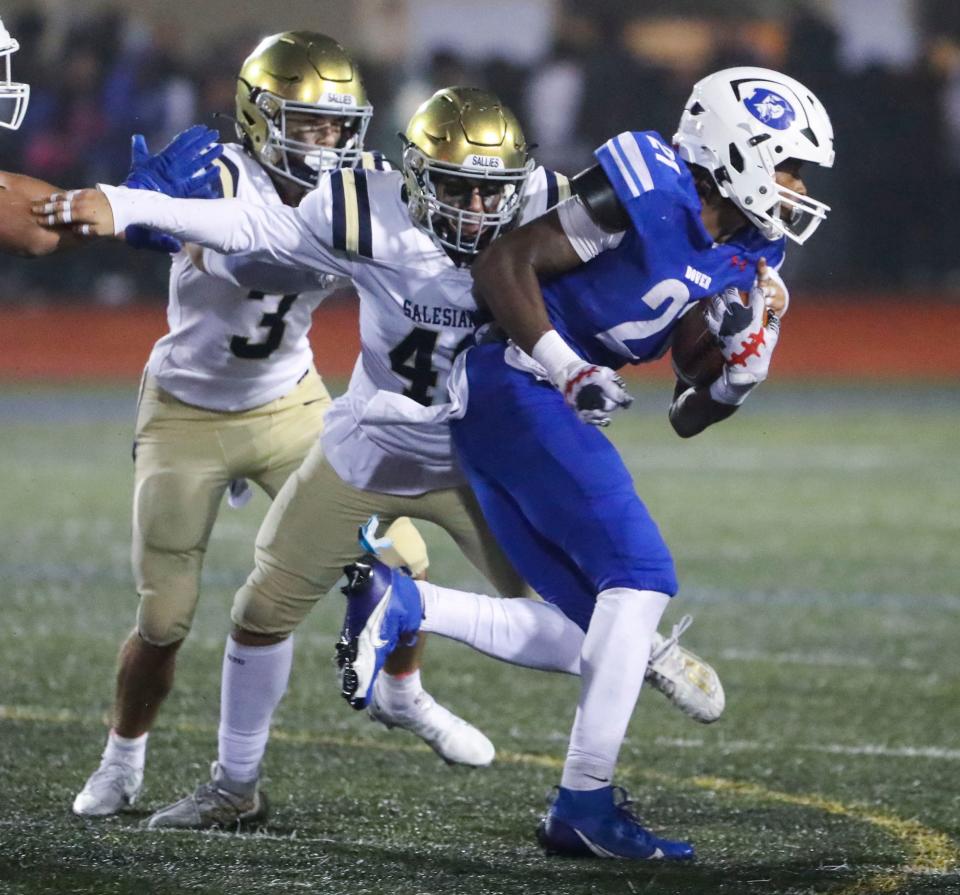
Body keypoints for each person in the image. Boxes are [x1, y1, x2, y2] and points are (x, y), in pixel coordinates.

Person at [38, 85, 726, 830]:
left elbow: (655, 266)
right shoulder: (365, 205)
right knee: (261, 612)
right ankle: (235, 786)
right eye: (455, 187)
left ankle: (635, 649)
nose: (472, 207)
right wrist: (132, 206)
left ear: (519, 182)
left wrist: (741, 300)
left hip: (484, 450)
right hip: (371, 439)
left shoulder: (550, 206)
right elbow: (253, 224)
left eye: (488, 191)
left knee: (579, 625)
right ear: (415, 177)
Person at [332, 66, 835, 860]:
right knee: (641, 574)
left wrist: (743, 362)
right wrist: (566, 363)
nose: (798, 186)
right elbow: (504, 266)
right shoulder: (651, 181)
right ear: (736, 150)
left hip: (524, 407)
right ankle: (584, 804)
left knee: (594, 635)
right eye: (788, 164)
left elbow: (687, 409)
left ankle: (408, 604)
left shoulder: (749, 243)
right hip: (517, 380)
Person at [63, 31, 443, 819]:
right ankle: (121, 762)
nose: (328, 141)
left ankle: (406, 691)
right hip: (187, 412)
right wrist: (153, 213)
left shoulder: (362, 184)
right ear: (260, 117)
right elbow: (230, 257)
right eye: (308, 124)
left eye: (339, 126)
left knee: (404, 555)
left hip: (291, 404)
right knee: (163, 617)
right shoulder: (219, 175)